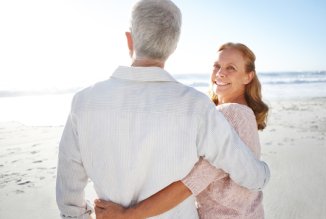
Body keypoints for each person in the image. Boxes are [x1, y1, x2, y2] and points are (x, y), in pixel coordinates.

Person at [56, 0, 270, 217]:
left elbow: (68, 198)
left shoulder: (83, 102)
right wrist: (264, 173)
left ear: (129, 40)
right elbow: (252, 177)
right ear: (173, 46)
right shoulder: (196, 106)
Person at [94, 42, 269, 219]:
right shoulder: (243, 114)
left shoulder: (230, 114)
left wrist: (128, 214)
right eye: (216, 66)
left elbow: (191, 182)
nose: (220, 73)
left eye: (231, 68)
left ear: (248, 76)